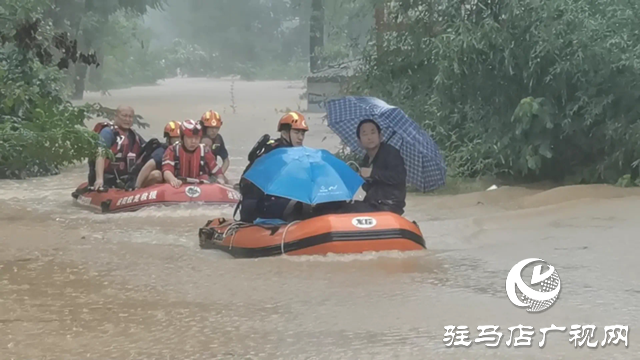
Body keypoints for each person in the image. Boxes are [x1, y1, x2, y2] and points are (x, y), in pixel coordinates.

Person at [236, 111, 309, 223]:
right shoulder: (273, 153)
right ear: (284, 133)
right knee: (299, 206)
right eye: (296, 132)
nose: (300, 137)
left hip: (278, 199)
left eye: (302, 134)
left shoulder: (299, 154)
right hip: (262, 204)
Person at [343, 119, 407, 215]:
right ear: (359, 141)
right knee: (341, 206)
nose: (369, 137)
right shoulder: (366, 159)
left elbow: (399, 176)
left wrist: (372, 173)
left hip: (388, 205)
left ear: (380, 136)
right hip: (373, 203)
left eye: (373, 133)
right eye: (365, 134)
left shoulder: (390, 153)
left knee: (349, 210)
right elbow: (369, 188)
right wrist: (362, 179)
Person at [90, 105, 145, 189]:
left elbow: (147, 149)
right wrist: (99, 179)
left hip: (127, 178)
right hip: (108, 178)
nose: (127, 119)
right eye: (124, 116)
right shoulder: (107, 133)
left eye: (130, 117)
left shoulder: (134, 136)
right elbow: (100, 155)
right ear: (116, 117)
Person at [162, 119, 228, 188]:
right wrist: (173, 180)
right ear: (182, 138)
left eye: (196, 138)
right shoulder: (172, 150)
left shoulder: (205, 151)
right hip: (178, 186)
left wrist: (221, 179)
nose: (193, 141)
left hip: (201, 186)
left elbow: (217, 171)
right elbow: (167, 170)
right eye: (189, 138)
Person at [132, 121, 181, 189]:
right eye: (176, 138)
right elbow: (148, 166)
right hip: (147, 180)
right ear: (168, 139)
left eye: (180, 138)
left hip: (171, 184)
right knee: (157, 174)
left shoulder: (183, 152)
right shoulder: (162, 151)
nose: (179, 141)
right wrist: (137, 187)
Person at [200, 110, 230, 177]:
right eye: (211, 128)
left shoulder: (218, 139)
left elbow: (226, 161)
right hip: (198, 173)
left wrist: (220, 174)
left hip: (213, 172)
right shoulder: (196, 139)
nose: (214, 131)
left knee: (227, 182)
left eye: (216, 128)